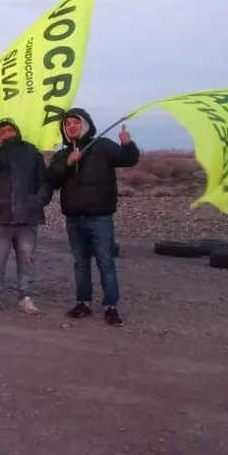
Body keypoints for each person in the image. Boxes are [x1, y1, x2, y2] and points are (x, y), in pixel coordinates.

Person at [45, 108, 139, 326]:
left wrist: (127, 144)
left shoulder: (102, 145)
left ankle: (111, 307)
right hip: (74, 218)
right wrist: (68, 163)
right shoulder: (62, 154)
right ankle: (83, 303)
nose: (71, 127)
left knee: (105, 262)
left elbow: (127, 160)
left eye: (75, 122)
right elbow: (51, 179)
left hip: (100, 217)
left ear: (85, 124)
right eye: (67, 124)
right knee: (80, 262)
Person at [0, 119, 52, 315]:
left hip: (28, 216)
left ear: (17, 130)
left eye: (10, 129)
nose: (6, 132)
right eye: (2, 130)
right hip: (1, 215)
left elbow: (44, 181)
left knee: (26, 258)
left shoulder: (31, 150)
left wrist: (39, 201)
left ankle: (25, 297)